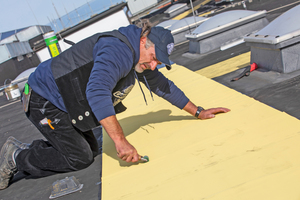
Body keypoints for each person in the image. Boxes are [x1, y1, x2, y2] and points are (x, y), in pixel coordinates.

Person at [0, 22, 230, 190]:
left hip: (66, 101)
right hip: (44, 98)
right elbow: (97, 92)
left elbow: (161, 85)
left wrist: (198, 111)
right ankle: (16, 156)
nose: (152, 66)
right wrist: (121, 141)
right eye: (152, 58)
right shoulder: (118, 51)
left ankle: (43, 147)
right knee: (79, 158)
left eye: (157, 63)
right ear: (143, 40)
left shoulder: (139, 56)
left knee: (89, 151)